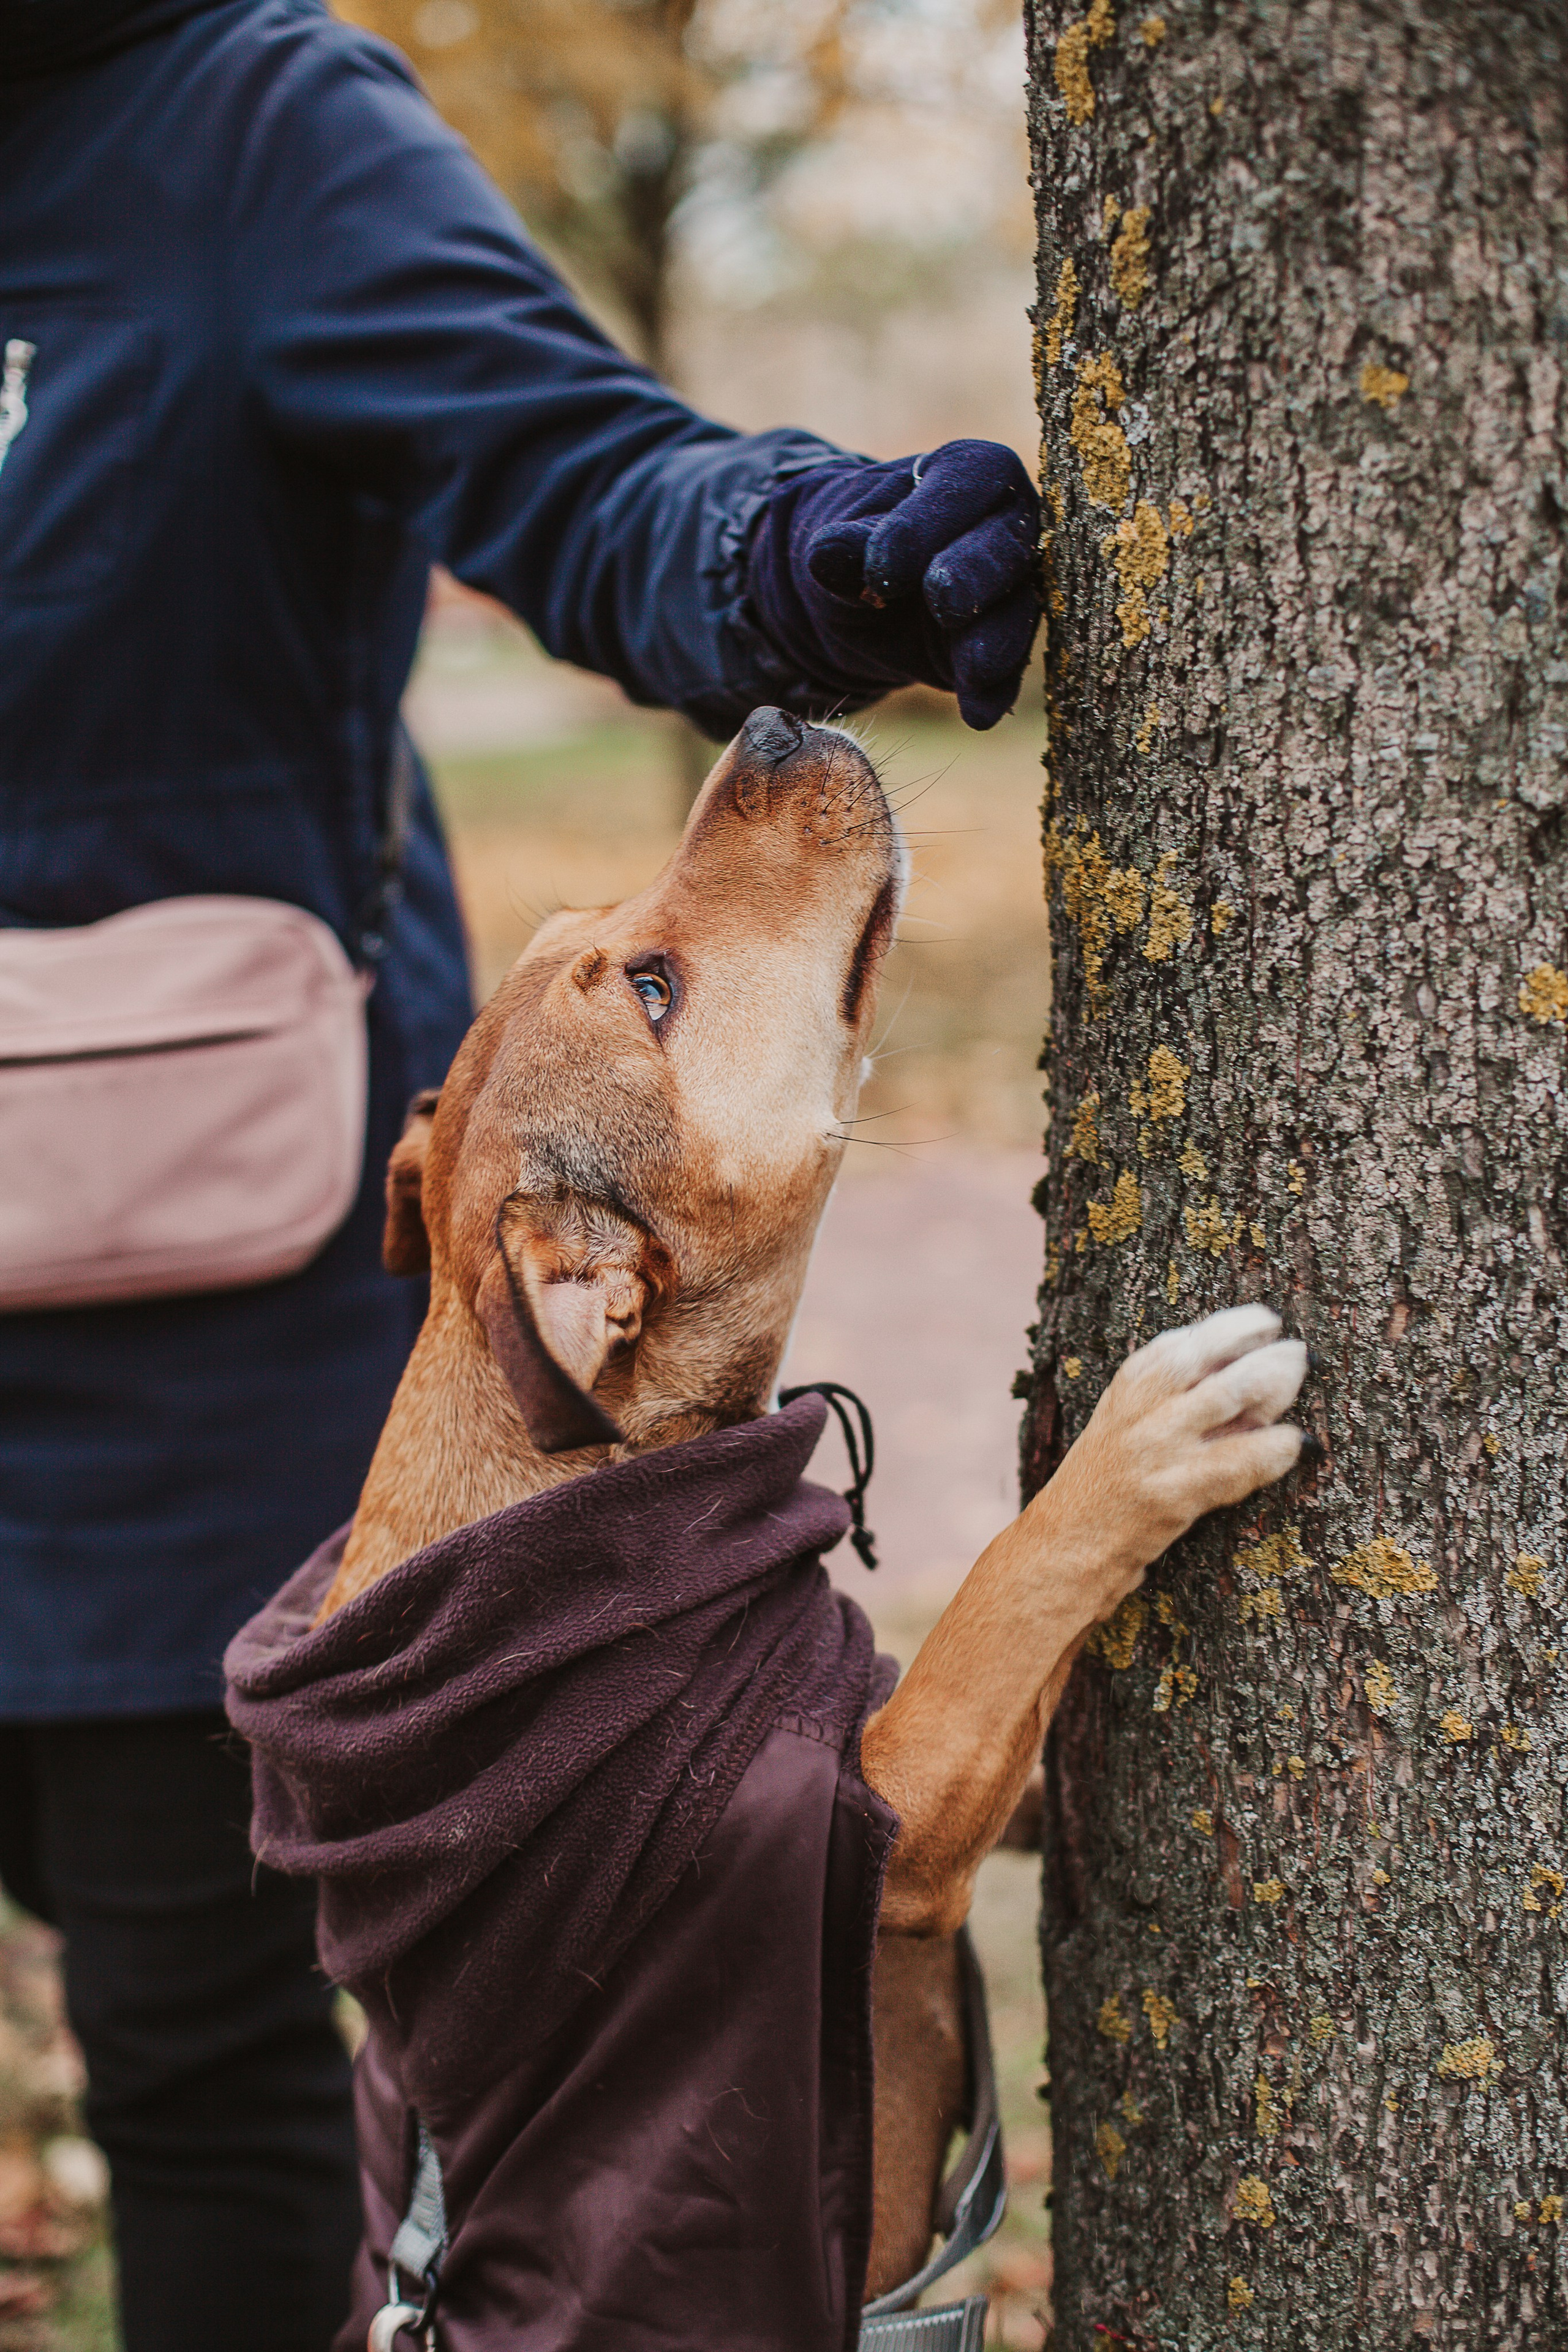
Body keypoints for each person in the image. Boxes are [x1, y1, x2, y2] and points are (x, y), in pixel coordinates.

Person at [0, 2, 1041, 2345]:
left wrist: (803, 558)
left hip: (200, 1353)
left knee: (203, 2067)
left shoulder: (250, 123)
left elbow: (579, 476)